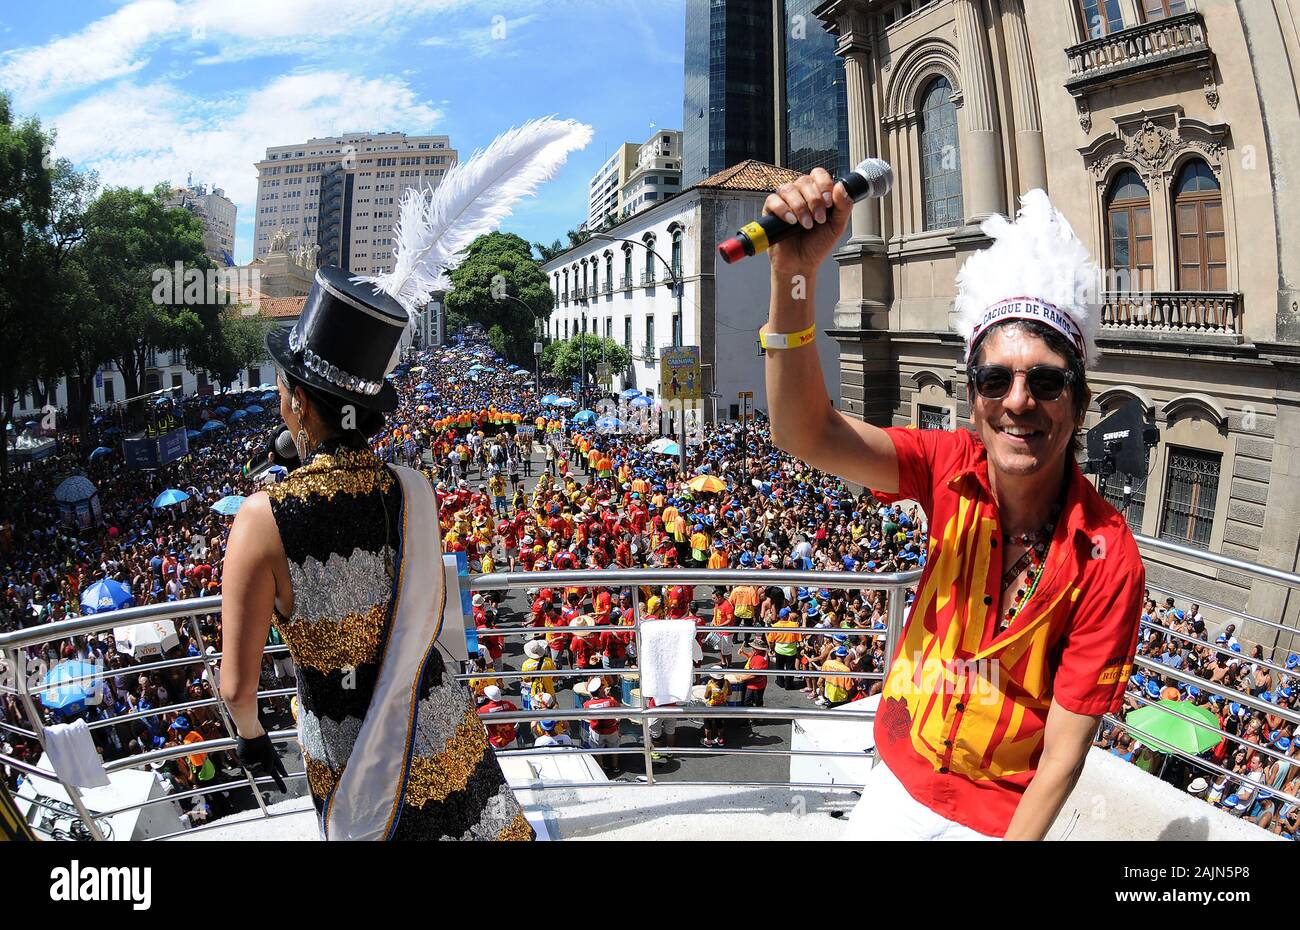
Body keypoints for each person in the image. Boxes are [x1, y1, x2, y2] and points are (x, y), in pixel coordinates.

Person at [763, 174, 1143, 841]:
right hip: (896, 782)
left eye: (1047, 382)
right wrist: (795, 276)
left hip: (996, 823)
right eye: (995, 379)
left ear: (1081, 404)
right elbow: (804, 432)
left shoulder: (1109, 557)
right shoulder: (945, 465)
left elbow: (1064, 752)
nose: (1019, 400)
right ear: (975, 402)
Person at [219, 266, 532, 841]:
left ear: (303, 406)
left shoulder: (261, 518)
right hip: (438, 720)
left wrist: (252, 740)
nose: (280, 395)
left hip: (348, 754)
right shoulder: (414, 487)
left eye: (286, 383)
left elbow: (237, 689)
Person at [583, 676, 622, 777]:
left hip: (597, 732)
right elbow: (618, 707)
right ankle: (615, 767)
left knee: (597, 750)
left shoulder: (587, 704)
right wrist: (607, 696)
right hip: (611, 730)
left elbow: (588, 710)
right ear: (600, 690)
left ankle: (601, 768)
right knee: (614, 748)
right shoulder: (610, 701)